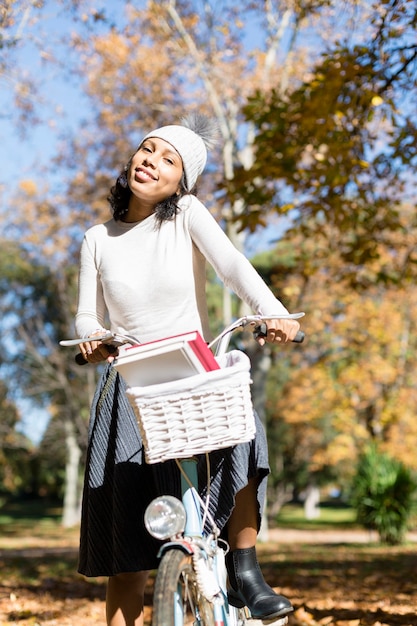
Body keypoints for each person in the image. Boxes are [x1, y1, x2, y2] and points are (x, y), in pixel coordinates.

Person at [75, 113, 301, 626]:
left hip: (192, 369)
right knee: (125, 544)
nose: (151, 162)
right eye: (147, 150)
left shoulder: (187, 215)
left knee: (244, 430)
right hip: (130, 380)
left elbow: (233, 265)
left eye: (168, 160)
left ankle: (245, 571)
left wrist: (273, 310)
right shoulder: (96, 238)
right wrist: (92, 339)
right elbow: (89, 315)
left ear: (183, 181)